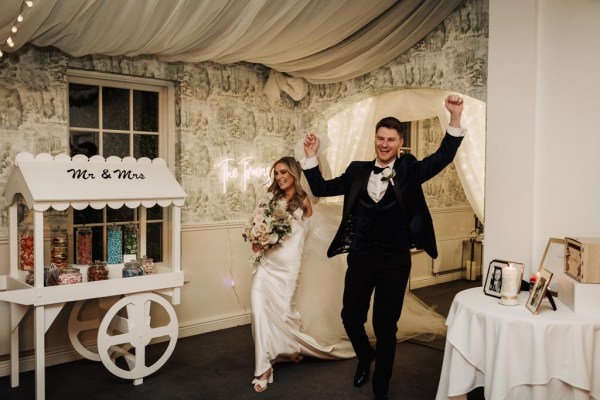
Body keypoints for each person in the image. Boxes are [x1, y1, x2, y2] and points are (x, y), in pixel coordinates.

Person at [301, 94, 465, 400]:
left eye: (390, 139)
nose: (384, 144)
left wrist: (454, 118)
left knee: (385, 326)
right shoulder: (356, 170)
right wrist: (310, 155)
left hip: (394, 261)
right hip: (361, 258)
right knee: (351, 317)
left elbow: (443, 156)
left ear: (399, 142)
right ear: (374, 139)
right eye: (380, 138)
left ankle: (381, 385)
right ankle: (365, 356)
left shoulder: (410, 170)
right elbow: (322, 188)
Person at [249, 156, 354, 393]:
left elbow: (307, 235)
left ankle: (289, 346)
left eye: (284, 172)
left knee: (283, 313)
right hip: (266, 265)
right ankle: (264, 367)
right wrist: (258, 240)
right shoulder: (270, 198)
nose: (280, 177)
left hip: (288, 268)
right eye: (276, 173)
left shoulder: (304, 201)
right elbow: (259, 226)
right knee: (258, 311)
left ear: (294, 174)